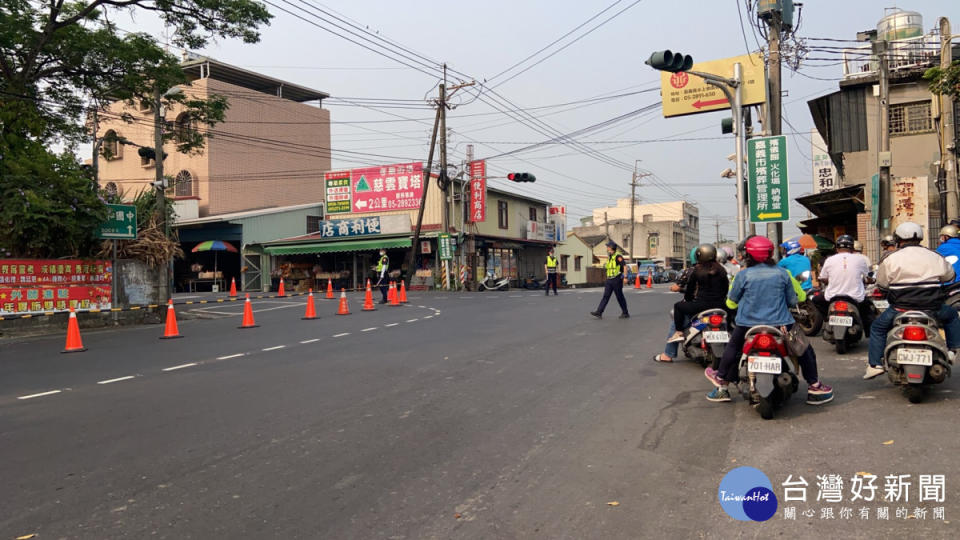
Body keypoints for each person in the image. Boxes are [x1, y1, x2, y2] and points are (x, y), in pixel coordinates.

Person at [704, 236, 833, 404]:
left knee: (733, 348)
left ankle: (722, 382)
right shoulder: (783, 273)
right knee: (804, 349)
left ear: (747, 255)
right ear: (771, 253)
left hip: (747, 324)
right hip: (781, 323)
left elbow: (731, 302)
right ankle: (814, 386)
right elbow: (794, 300)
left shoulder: (743, 275)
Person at [866, 222, 960, 379]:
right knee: (952, 316)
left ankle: (875, 365)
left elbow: (882, 284)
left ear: (898, 239)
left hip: (900, 309)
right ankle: (952, 351)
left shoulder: (891, 258)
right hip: (932, 308)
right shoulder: (934, 255)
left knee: (877, 328)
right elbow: (949, 276)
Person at [813, 234, 875, 334]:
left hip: (833, 296)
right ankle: (869, 334)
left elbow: (823, 278)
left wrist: (830, 281)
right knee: (867, 310)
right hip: (855, 296)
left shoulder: (829, 260)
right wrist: (871, 280)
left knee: (816, 300)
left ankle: (828, 318)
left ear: (837, 248)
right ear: (851, 247)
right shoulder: (860, 259)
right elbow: (868, 278)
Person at [667, 244, 729, 342]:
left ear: (699, 256)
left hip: (702, 305)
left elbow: (690, 290)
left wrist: (688, 300)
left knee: (678, 306)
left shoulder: (697, 270)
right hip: (720, 305)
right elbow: (726, 288)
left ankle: (679, 332)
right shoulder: (722, 270)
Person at [654, 249, 698, 362]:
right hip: (718, 305)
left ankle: (668, 354)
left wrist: (674, 288)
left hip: (697, 304)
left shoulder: (692, 271)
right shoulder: (719, 269)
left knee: (676, 322)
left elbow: (679, 287)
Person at [591, 241, 629, 319]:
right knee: (606, 296)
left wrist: (625, 277)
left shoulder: (618, 256)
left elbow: (625, 266)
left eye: (608, 246)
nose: (607, 248)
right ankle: (599, 312)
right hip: (609, 280)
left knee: (619, 296)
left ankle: (625, 312)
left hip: (616, 279)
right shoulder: (610, 256)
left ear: (611, 248)